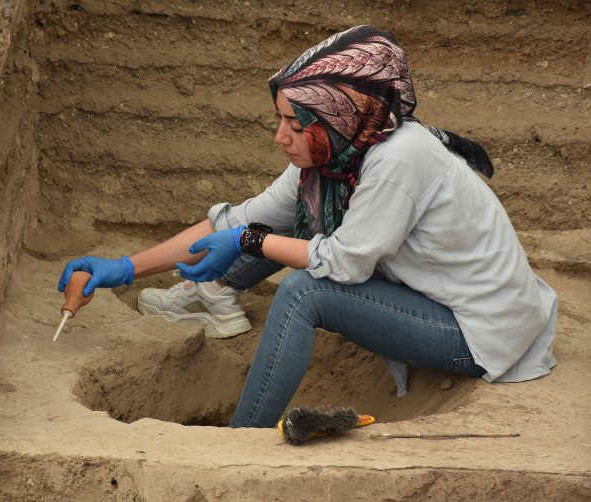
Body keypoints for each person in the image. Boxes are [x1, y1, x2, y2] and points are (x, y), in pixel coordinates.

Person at [58, 26, 557, 429]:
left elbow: (342, 262)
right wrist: (124, 268)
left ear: (340, 116)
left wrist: (246, 241)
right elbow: (237, 220)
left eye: (296, 125)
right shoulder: (337, 155)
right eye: (280, 121)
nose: (281, 137)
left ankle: (240, 438)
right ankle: (213, 294)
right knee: (293, 227)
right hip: (440, 301)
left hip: (478, 331)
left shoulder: (399, 160)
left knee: (303, 290)